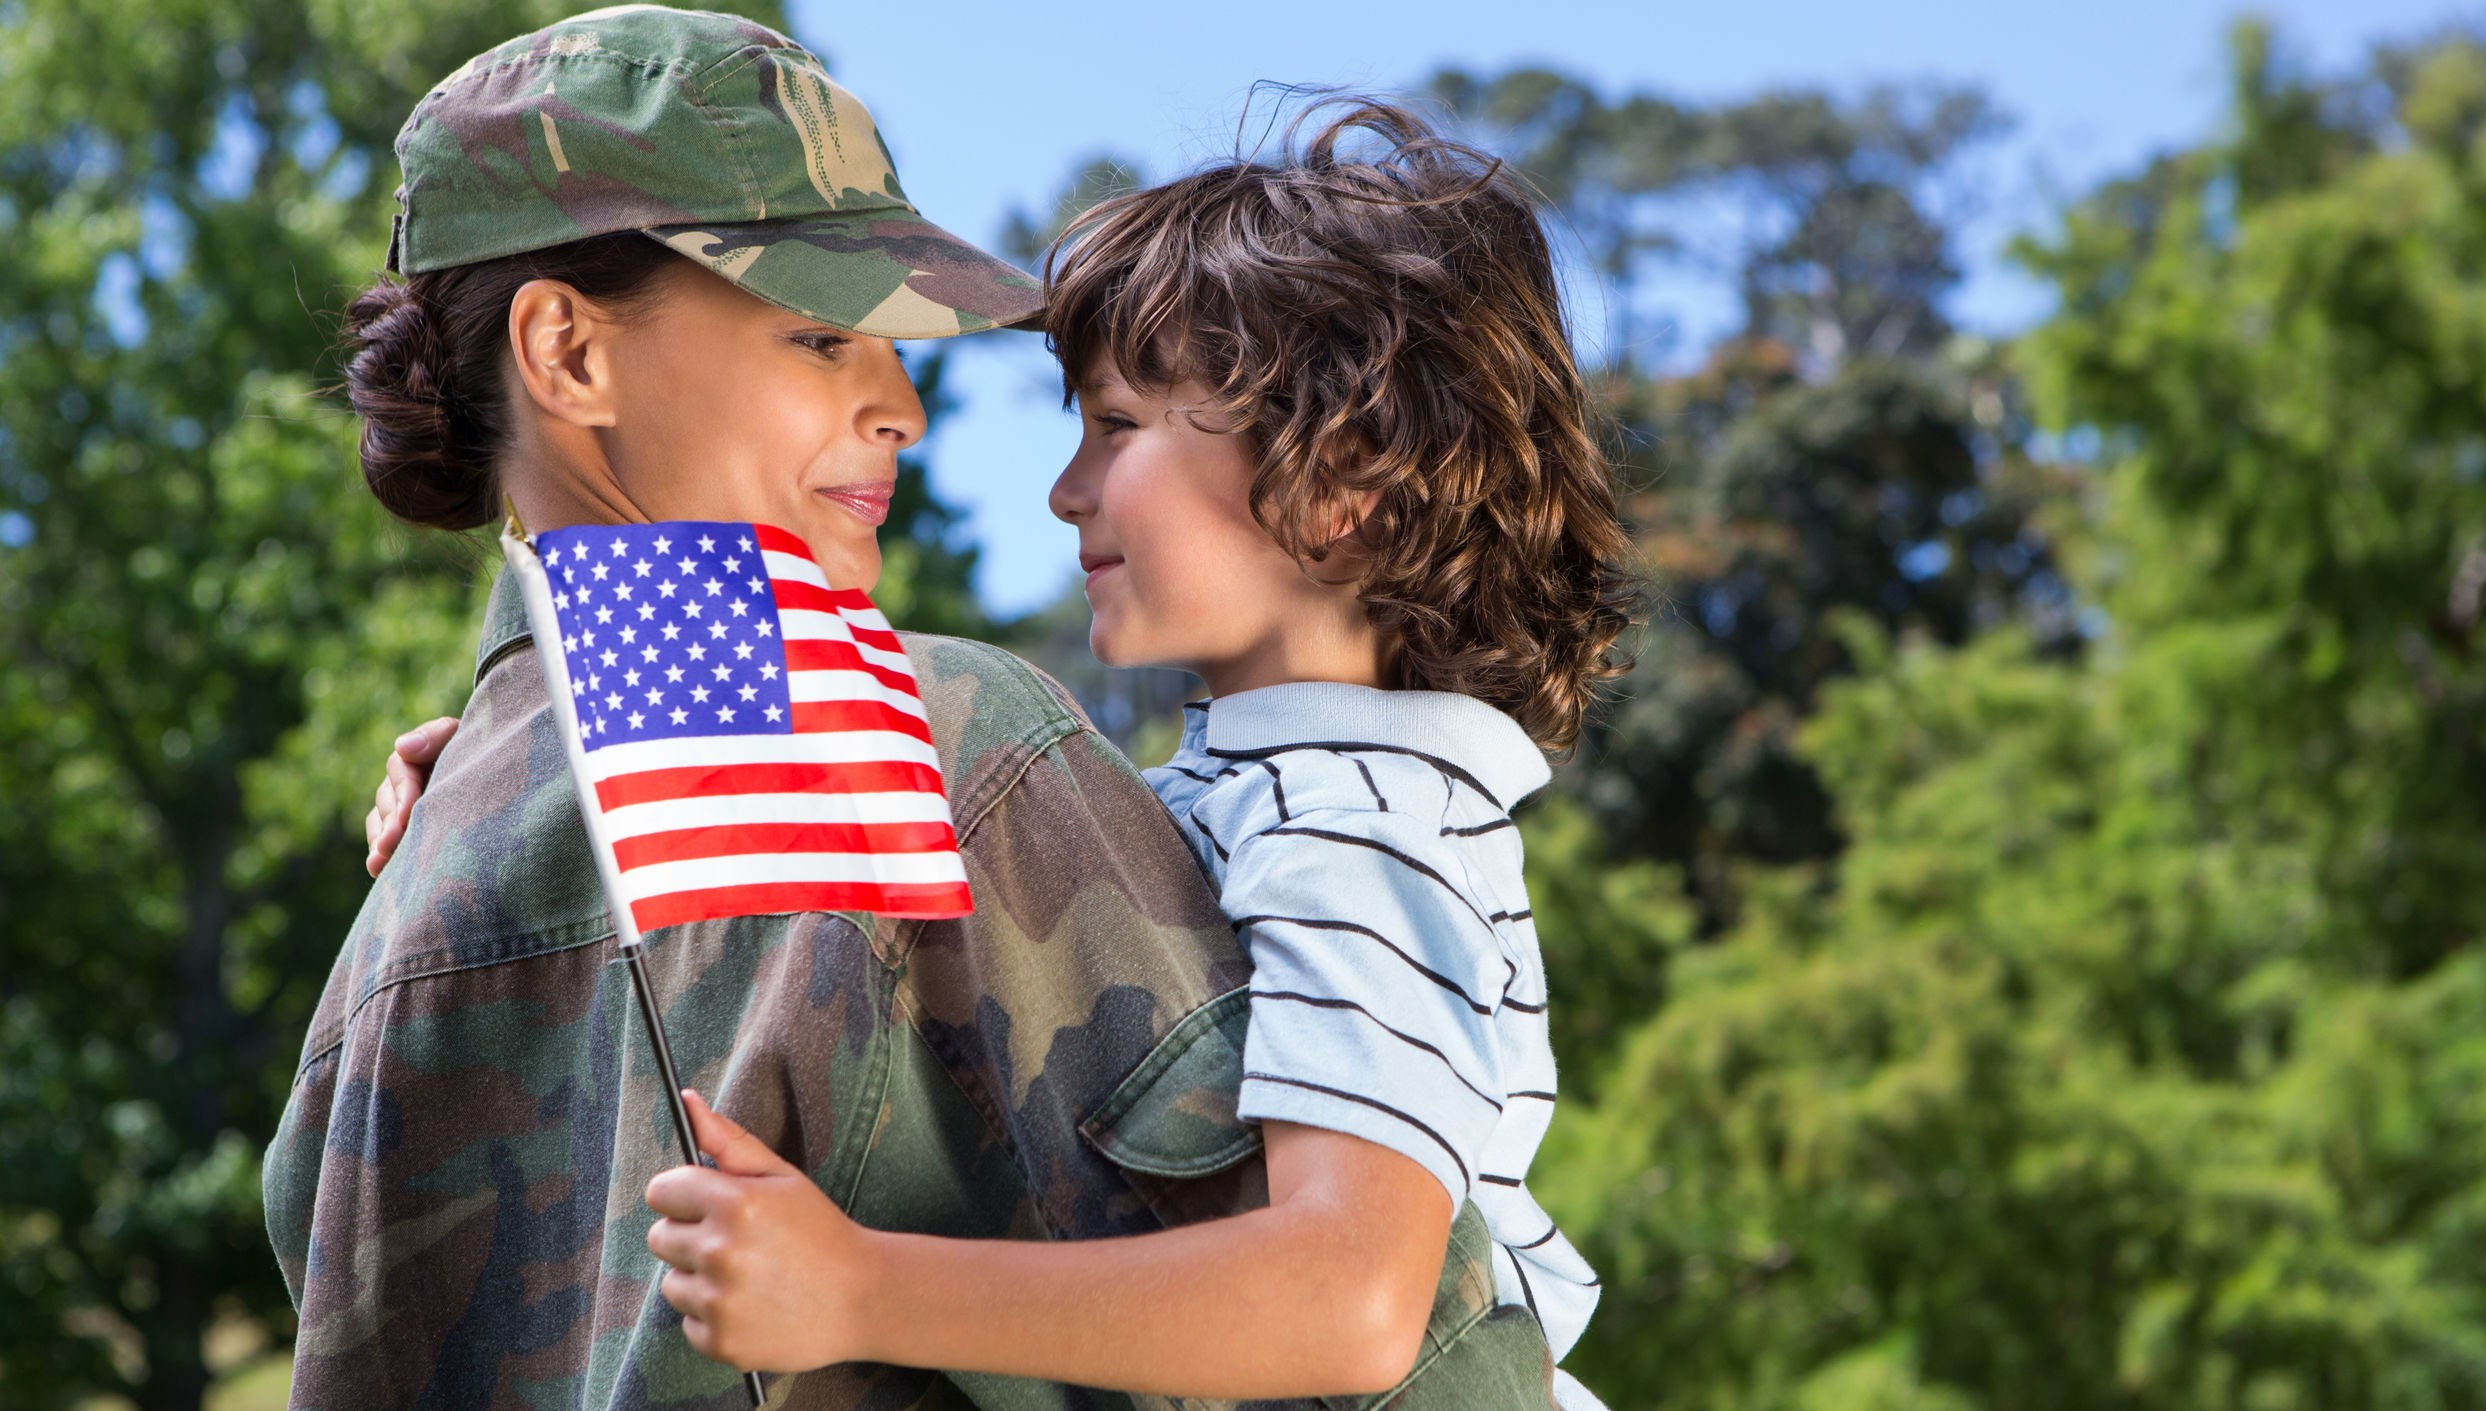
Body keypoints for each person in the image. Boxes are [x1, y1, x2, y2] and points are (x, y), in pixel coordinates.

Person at [270, 8, 1554, 1409]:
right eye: (822, 336)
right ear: (569, 354)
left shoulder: (385, 954)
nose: (905, 405)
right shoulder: (946, 752)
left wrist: (514, 767)